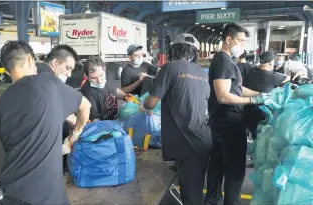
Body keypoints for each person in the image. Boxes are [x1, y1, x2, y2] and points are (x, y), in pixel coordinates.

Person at [0, 40, 91, 205]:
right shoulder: (47, 83)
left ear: (7, 70)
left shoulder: (1, 103)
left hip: (10, 192)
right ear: (31, 60)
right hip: (44, 196)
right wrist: (76, 133)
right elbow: (85, 106)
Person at [142, 33, 212, 205]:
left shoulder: (170, 68)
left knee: (191, 195)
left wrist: (143, 105)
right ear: (194, 53)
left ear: (172, 50)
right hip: (203, 137)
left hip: (185, 140)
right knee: (195, 185)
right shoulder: (202, 72)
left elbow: (151, 103)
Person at [206, 23, 269, 205]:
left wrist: (261, 95)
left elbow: (237, 89)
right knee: (235, 169)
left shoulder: (226, 61)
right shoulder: (224, 61)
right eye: (240, 41)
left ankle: (212, 200)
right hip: (229, 123)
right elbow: (224, 96)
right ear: (229, 39)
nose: (242, 45)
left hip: (219, 121)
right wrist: (253, 101)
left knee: (216, 164)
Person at [81, 56, 133, 121]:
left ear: (104, 69)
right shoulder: (86, 91)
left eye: (101, 75)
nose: (99, 81)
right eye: (94, 78)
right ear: (86, 76)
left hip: (114, 117)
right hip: (102, 123)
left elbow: (114, 89)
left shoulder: (109, 75)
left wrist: (124, 96)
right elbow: (95, 119)